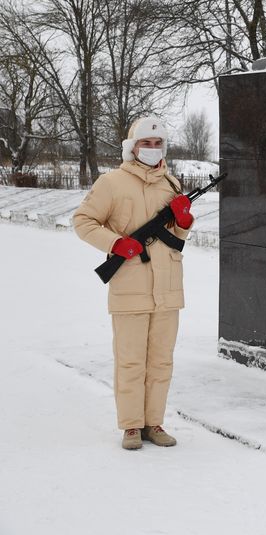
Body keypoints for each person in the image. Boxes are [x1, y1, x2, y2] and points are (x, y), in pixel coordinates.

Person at [74, 117, 194, 449]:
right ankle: (131, 426)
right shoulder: (111, 182)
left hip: (168, 287)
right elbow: (83, 220)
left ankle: (153, 423)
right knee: (130, 360)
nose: (152, 149)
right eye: (146, 143)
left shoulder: (171, 184)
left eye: (158, 144)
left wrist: (183, 221)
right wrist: (115, 243)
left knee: (161, 361)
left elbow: (175, 237)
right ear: (133, 147)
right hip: (130, 284)